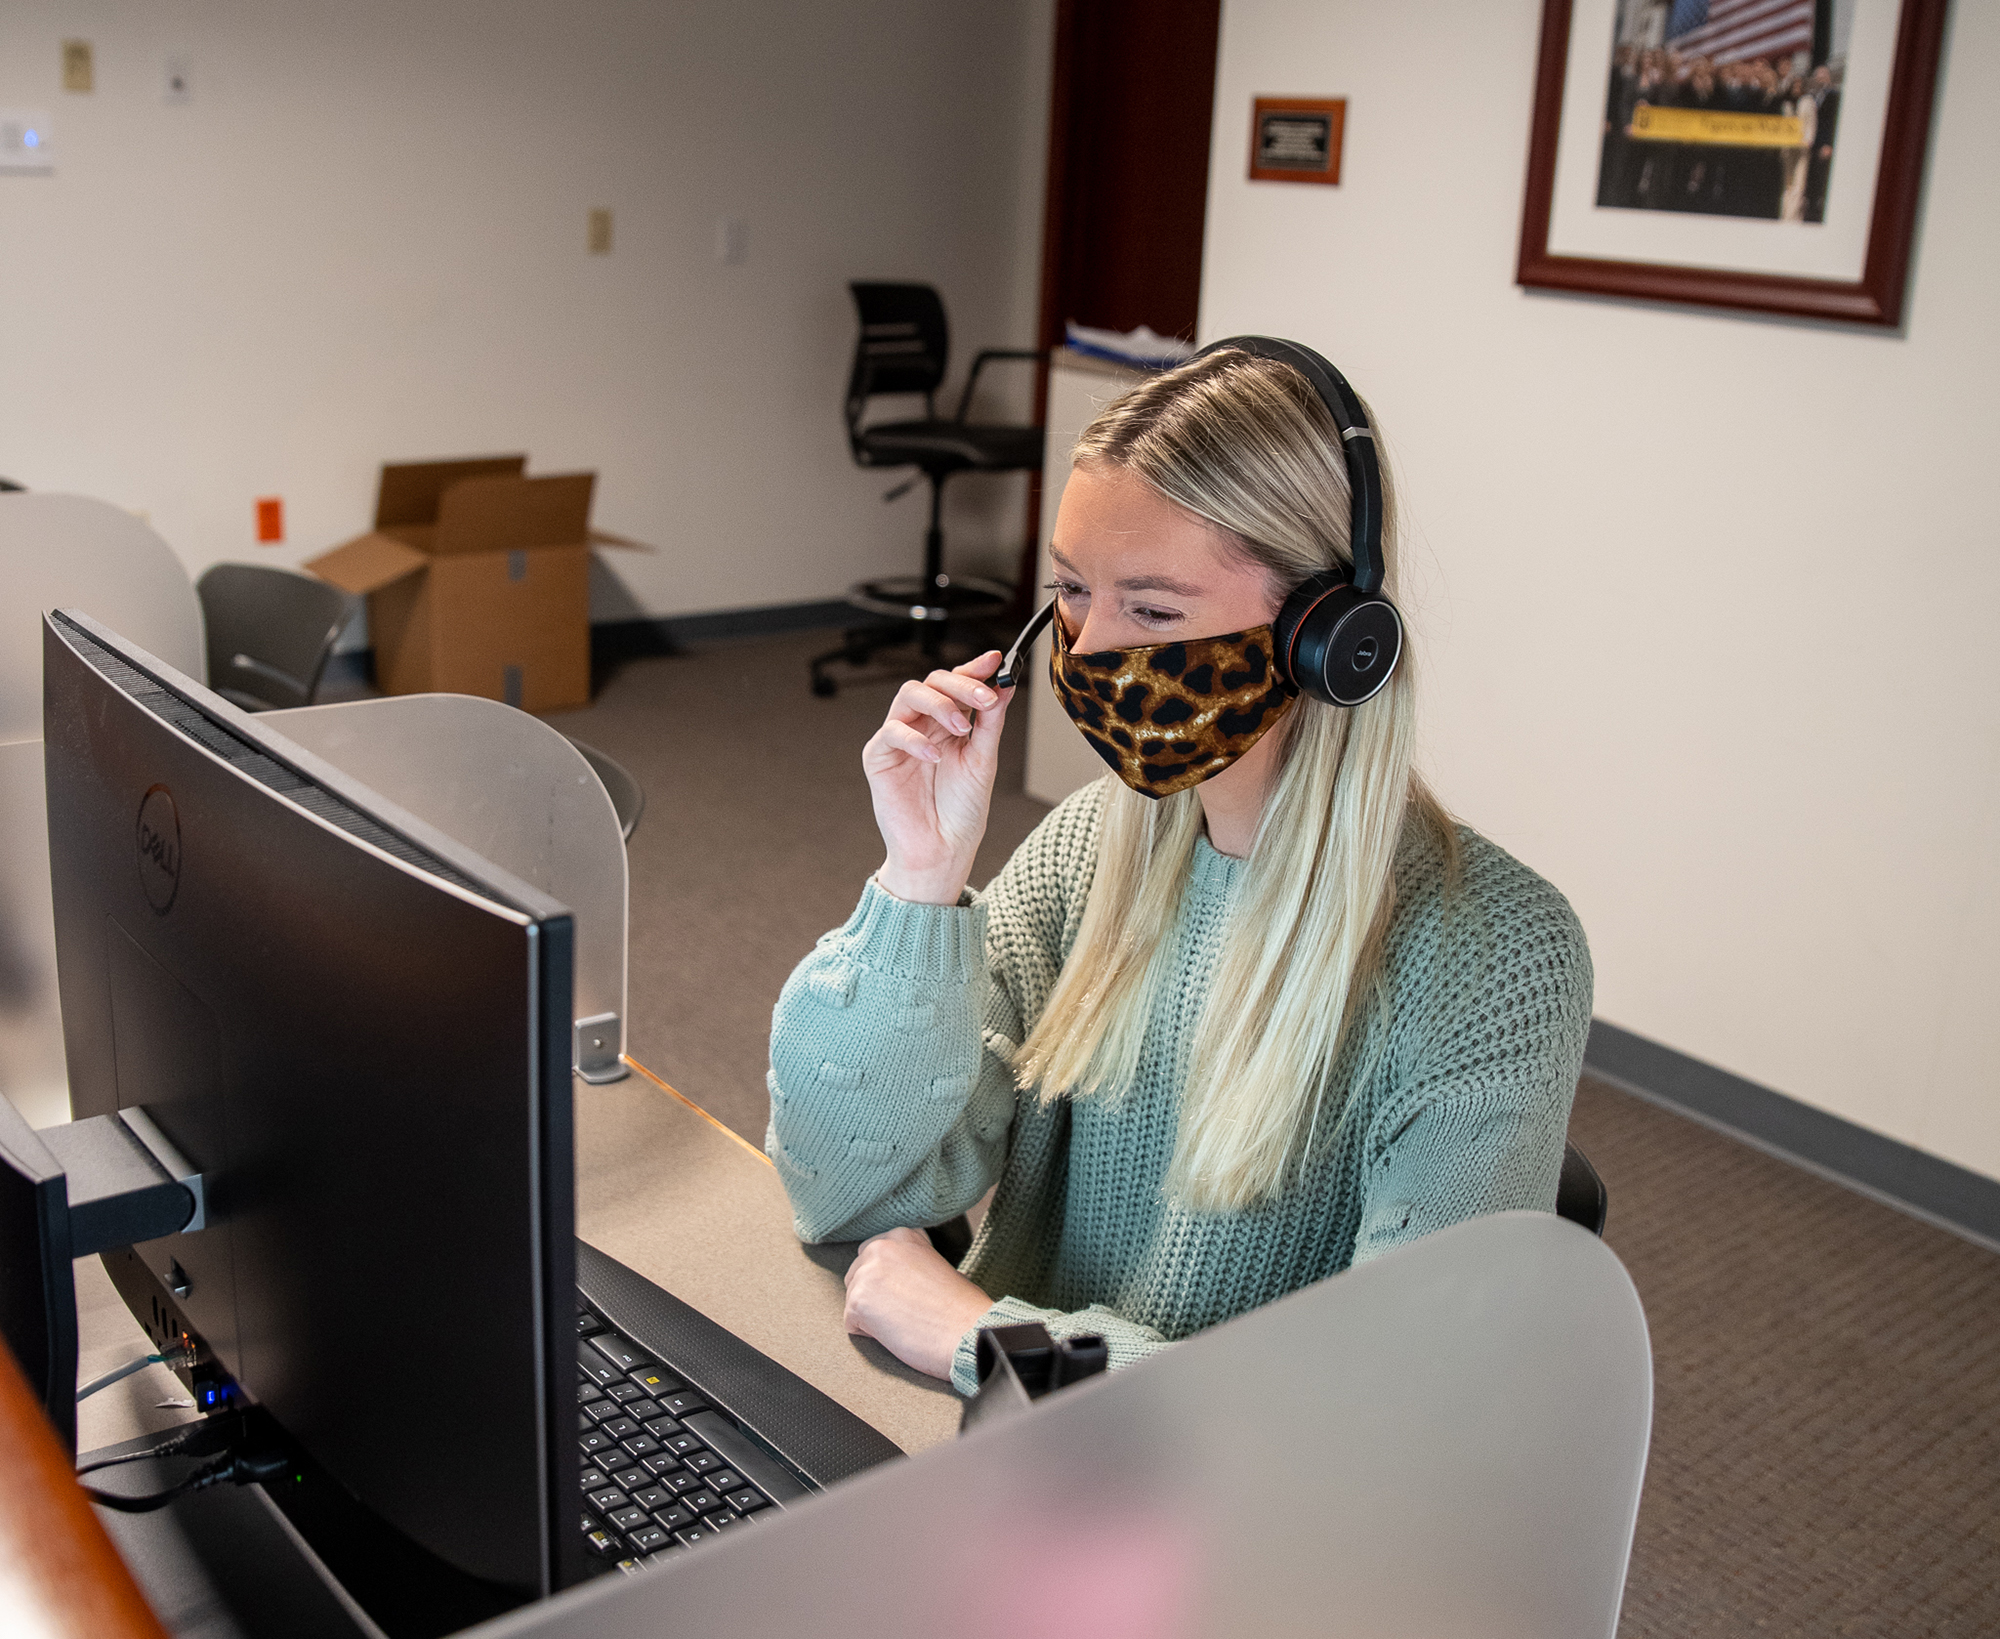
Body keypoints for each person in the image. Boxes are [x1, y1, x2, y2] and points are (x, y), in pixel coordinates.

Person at [765, 345, 1594, 1395]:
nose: (1091, 650)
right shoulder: (1085, 850)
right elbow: (843, 1190)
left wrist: (993, 1342)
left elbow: (1399, 1401)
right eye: (1069, 589)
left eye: (1152, 611)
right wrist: (918, 882)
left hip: (1239, 1528)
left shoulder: (1494, 953)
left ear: (1325, 639)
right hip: (998, 1450)